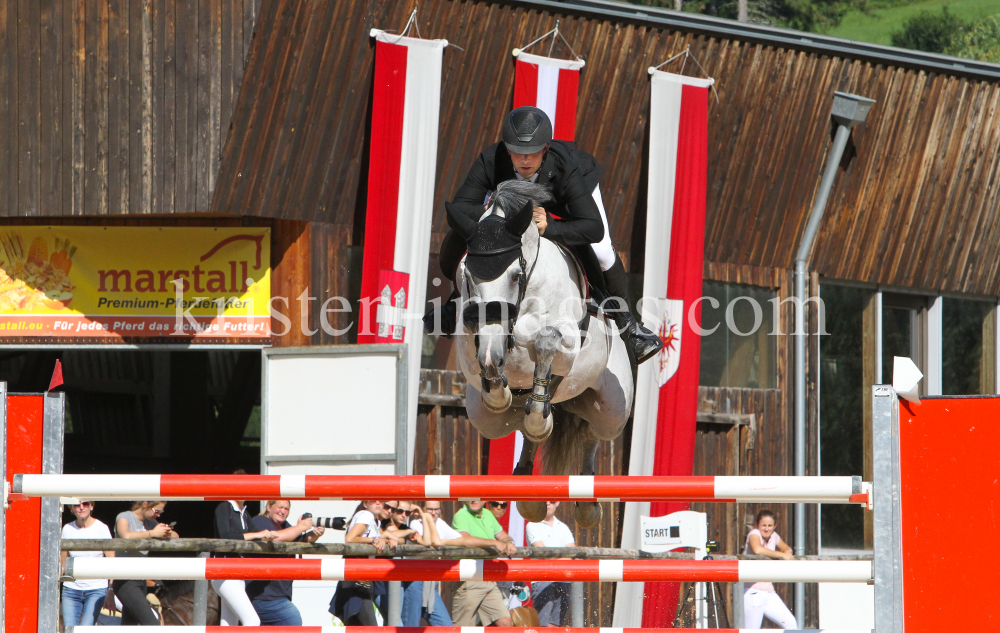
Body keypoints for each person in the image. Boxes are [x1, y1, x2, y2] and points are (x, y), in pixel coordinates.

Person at [427, 105, 663, 365]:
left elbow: (592, 228)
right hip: (512, 208)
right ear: (507, 149)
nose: (525, 160)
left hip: (564, 201)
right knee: (460, 233)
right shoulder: (492, 159)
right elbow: (460, 208)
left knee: (603, 252)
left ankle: (628, 326)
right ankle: (454, 303)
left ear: (546, 148)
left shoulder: (566, 167)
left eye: (532, 153)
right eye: (517, 153)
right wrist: (489, 210)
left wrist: (552, 227)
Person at [246, 500, 324, 626]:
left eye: (287, 509)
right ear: (268, 506)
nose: (283, 511)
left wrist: (313, 534)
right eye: (280, 507)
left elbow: (300, 541)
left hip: (279, 595)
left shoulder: (285, 526)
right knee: (292, 619)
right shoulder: (259, 521)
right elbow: (275, 538)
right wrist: (299, 527)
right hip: (262, 597)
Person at [212, 494, 280, 626]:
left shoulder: (245, 513)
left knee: (229, 624)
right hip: (224, 572)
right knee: (253, 620)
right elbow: (225, 536)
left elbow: (255, 535)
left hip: (238, 574)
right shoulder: (224, 507)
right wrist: (259, 534)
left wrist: (267, 536)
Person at [451, 500, 518, 627]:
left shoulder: (487, 514)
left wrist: (509, 542)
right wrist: (494, 542)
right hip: (469, 579)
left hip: (488, 578)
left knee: (505, 621)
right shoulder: (461, 515)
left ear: (485, 499)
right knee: (463, 628)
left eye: (478, 496)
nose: (474, 499)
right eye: (470, 495)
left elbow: (503, 536)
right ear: (464, 497)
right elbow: (465, 539)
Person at [331, 500, 399, 625]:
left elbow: (383, 536)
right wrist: (375, 540)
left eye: (381, 501)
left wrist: (386, 539)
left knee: (356, 627)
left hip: (356, 579)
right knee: (370, 627)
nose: (378, 504)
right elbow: (350, 538)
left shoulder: (373, 520)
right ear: (365, 503)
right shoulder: (366, 515)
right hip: (356, 579)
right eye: (373, 500)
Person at [113, 500, 178, 625]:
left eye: (161, 512)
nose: (158, 515)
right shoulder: (124, 517)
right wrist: (152, 533)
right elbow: (125, 535)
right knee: (152, 624)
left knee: (129, 626)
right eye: (156, 511)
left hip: (140, 580)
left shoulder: (150, 522)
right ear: (145, 504)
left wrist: (166, 531)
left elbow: (176, 536)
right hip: (125, 580)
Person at [61, 500, 114, 627]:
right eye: (76, 505)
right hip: (71, 589)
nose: (81, 508)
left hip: (96, 589)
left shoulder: (102, 528)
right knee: (69, 629)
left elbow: (112, 561)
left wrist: (111, 590)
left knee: (86, 628)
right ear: (71, 509)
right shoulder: (67, 529)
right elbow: (63, 562)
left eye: (85, 504)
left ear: (91, 506)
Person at [400, 502, 453, 626]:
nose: (433, 513)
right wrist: (427, 518)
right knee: (410, 627)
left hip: (430, 583)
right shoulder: (415, 523)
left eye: (436, 509)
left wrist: (492, 543)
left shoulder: (440, 523)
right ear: (422, 510)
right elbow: (429, 542)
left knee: (446, 627)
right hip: (414, 581)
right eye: (429, 509)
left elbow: (460, 539)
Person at [743, 510, 796, 629]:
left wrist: (788, 551)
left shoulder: (774, 536)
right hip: (753, 591)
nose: (767, 529)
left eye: (770, 525)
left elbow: (786, 547)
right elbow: (757, 549)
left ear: (774, 526)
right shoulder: (754, 533)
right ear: (757, 524)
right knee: (752, 630)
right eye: (763, 525)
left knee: (791, 623)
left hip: (769, 592)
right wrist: (782, 555)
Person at [526, 501, 576, 626]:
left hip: (562, 580)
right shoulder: (532, 524)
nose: (548, 504)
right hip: (543, 580)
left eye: (552, 501)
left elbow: (571, 553)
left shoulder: (563, 527)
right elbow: (542, 553)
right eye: (544, 501)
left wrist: (556, 561)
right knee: (544, 625)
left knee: (556, 626)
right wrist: (563, 560)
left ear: (557, 502)